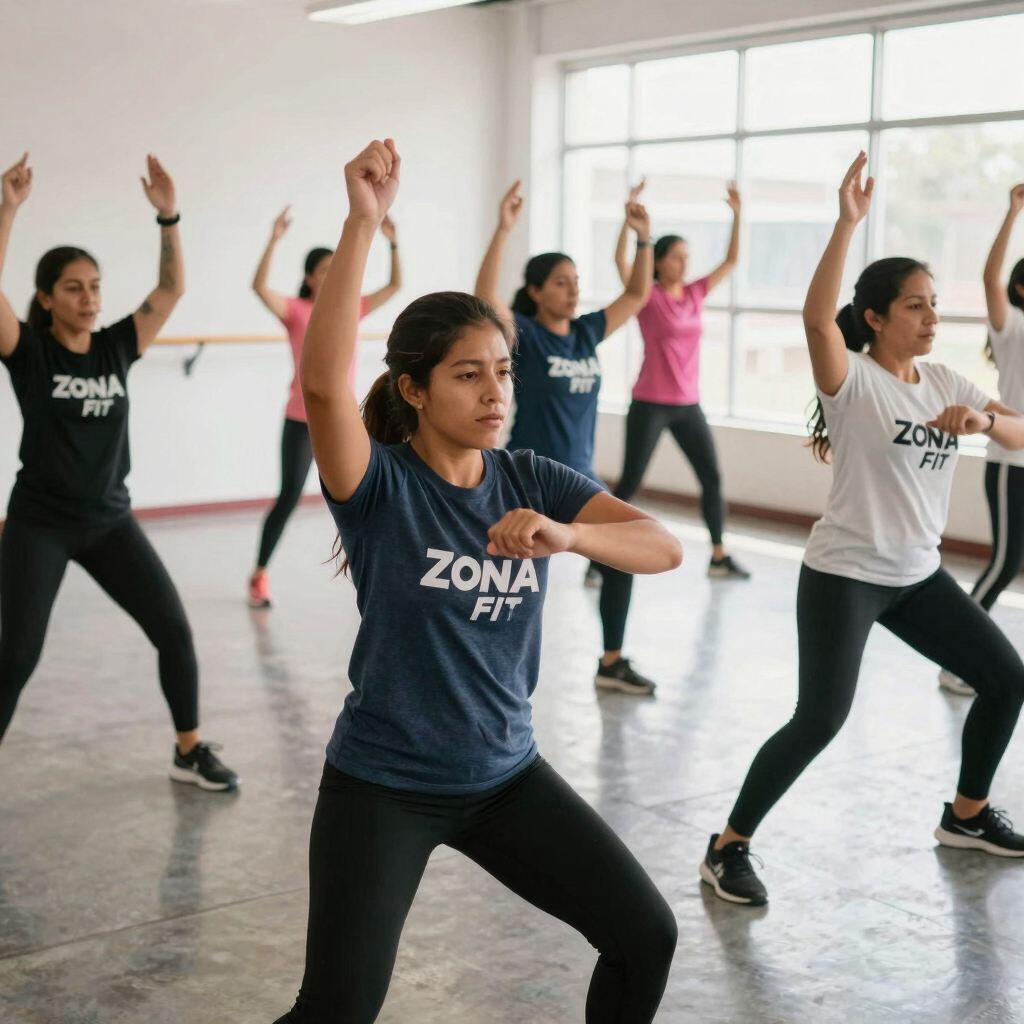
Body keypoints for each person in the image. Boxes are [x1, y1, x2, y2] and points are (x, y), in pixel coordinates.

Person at [271, 139, 681, 1024]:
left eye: (502, 371)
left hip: (504, 777)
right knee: (335, 1010)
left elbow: (662, 546)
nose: (496, 391)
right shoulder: (379, 487)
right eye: (468, 375)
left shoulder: (531, 478)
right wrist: (362, 225)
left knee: (645, 936)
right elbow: (325, 382)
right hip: (384, 786)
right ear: (414, 391)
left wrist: (570, 534)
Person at [700, 153, 1024, 908]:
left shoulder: (946, 383)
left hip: (915, 576)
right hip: (845, 574)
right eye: (915, 305)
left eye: (934, 303)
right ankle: (728, 846)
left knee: (1008, 678)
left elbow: (1021, 432)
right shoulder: (854, 383)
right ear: (876, 317)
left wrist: (985, 421)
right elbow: (816, 319)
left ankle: (967, 815)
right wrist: (846, 221)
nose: (933, 317)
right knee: (820, 718)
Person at [0, 153, 238, 791]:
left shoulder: (115, 344)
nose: (89, 297)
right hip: (39, 524)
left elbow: (170, 292)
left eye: (96, 286)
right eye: (74, 287)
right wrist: (8, 211)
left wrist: (169, 216)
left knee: (174, 631)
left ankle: (188, 751)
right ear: (47, 298)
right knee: (15, 657)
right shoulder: (29, 350)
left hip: (108, 522)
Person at [474, 181, 660, 695]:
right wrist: (504, 228)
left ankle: (612, 661)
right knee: (504, 575)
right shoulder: (526, 335)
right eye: (560, 282)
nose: (573, 289)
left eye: (576, 280)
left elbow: (639, 294)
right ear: (535, 292)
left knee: (623, 555)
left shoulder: (585, 332)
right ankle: (482, 668)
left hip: (579, 476)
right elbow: (485, 300)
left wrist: (643, 239)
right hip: (528, 475)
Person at [247, 207, 401, 608]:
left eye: (338, 267)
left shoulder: (354, 306)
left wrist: (393, 241)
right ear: (310, 277)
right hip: (300, 419)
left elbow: (395, 285)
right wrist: (274, 238)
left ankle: (375, 576)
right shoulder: (297, 311)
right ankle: (259, 574)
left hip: (343, 420)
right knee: (289, 497)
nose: (333, 274)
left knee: (366, 494)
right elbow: (259, 286)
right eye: (325, 268)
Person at [612, 178, 749, 579]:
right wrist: (629, 222)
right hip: (650, 403)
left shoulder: (694, 294)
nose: (684, 263)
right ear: (658, 261)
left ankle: (719, 555)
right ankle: (598, 559)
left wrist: (738, 215)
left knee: (712, 477)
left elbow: (731, 261)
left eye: (687, 257)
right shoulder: (646, 296)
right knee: (631, 482)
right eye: (676, 257)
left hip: (688, 404)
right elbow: (620, 264)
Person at [937, 183, 1024, 697]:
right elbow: (990, 276)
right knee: (1005, 564)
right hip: (1012, 462)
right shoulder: (1012, 327)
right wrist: (1012, 213)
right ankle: (956, 661)